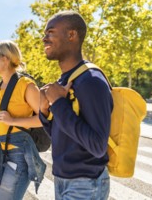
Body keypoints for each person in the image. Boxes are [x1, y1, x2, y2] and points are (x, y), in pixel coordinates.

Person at [39, 10, 113, 200]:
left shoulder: (91, 81)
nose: (44, 39)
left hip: (86, 183)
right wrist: (45, 111)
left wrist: (58, 103)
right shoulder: (66, 80)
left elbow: (97, 146)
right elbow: (64, 135)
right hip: (63, 179)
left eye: (50, 33)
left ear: (71, 35)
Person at [0, 40, 46, 200]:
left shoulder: (26, 85)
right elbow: (0, 117)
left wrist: (13, 121)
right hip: (0, 150)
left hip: (18, 153)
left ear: (5, 59)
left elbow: (43, 119)